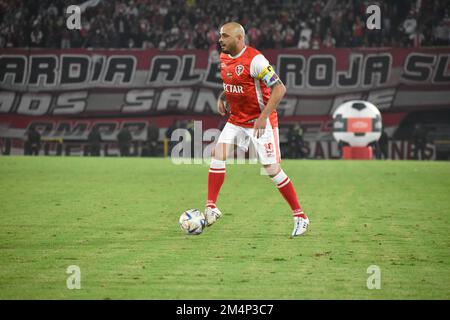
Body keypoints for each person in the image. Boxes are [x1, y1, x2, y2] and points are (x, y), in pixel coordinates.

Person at [204, 22, 309, 237]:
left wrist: (262, 117)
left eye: (225, 36)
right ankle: (211, 207)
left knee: (272, 169)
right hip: (237, 120)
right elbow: (235, 83)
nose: (220, 39)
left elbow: (279, 88)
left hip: (261, 121)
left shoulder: (256, 60)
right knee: (217, 155)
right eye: (220, 35)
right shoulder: (223, 57)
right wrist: (223, 97)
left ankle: (300, 216)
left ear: (239, 38)